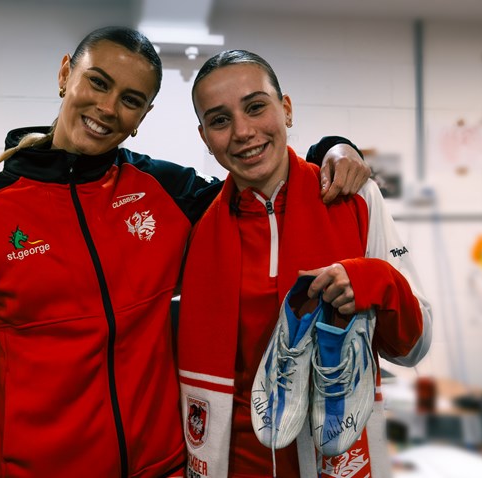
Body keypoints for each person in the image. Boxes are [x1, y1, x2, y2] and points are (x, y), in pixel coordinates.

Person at [0, 27, 370, 478]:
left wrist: (332, 149)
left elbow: (259, 181)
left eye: (131, 99)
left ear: (143, 116)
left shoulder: (166, 192)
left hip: (161, 467)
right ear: (66, 74)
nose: (107, 108)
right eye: (97, 82)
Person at [177, 50, 431, 478]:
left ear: (286, 109)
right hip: (232, 463)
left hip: (340, 457)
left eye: (256, 107)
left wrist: (379, 281)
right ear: (205, 137)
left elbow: (415, 346)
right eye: (220, 120)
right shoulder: (193, 223)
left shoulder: (355, 198)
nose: (243, 132)